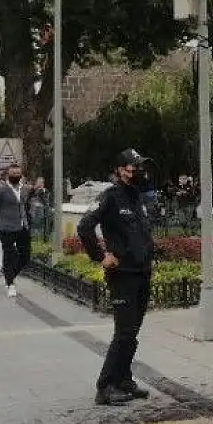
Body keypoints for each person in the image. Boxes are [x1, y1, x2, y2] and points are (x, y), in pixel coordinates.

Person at [77, 149, 156, 406]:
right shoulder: (111, 197)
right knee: (123, 332)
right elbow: (85, 225)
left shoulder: (138, 197)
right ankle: (105, 386)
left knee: (132, 331)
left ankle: (123, 379)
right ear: (122, 169)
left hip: (142, 272)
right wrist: (100, 256)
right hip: (122, 275)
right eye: (135, 167)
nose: (139, 171)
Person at [0, 163, 32, 298]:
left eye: (18, 173)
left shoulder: (24, 189)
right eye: (13, 174)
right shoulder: (0, 190)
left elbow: (25, 205)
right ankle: (10, 284)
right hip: (6, 227)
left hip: (22, 226)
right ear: (8, 175)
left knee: (25, 255)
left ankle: (10, 274)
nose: (15, 176)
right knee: (9, 254)